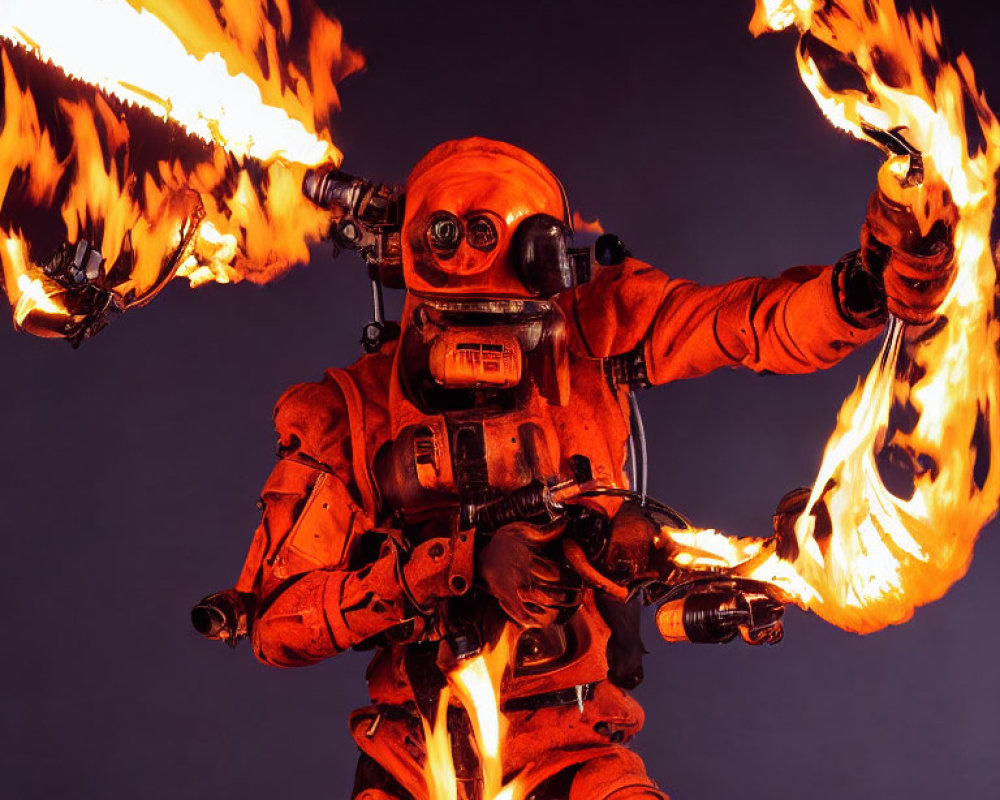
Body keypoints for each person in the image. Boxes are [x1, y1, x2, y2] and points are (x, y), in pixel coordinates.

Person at [193, 137, 956, 800]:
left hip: (572, 745)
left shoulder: (598, 330)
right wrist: (454, 566)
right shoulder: (346, 414)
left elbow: (749, 324)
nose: (488, 356)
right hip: (412, 759)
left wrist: (861, 287)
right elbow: (277, 626)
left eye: (516, 326)